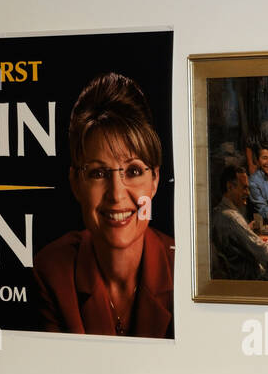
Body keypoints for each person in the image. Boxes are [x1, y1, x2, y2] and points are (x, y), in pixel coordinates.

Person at [33, 73, 173, 337]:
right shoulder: (51, 271)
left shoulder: (184, 270)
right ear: (76, 183)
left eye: (133, 171)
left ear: (154, 179)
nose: (117, 195)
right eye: (98, 173)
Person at [212, 164, 268, 280]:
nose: (248, 193)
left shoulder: (218, 211)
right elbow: (267, 256)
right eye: (244, 188)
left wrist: (247, 229)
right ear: (230, 187)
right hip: (251, 282)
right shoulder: (232, 218)